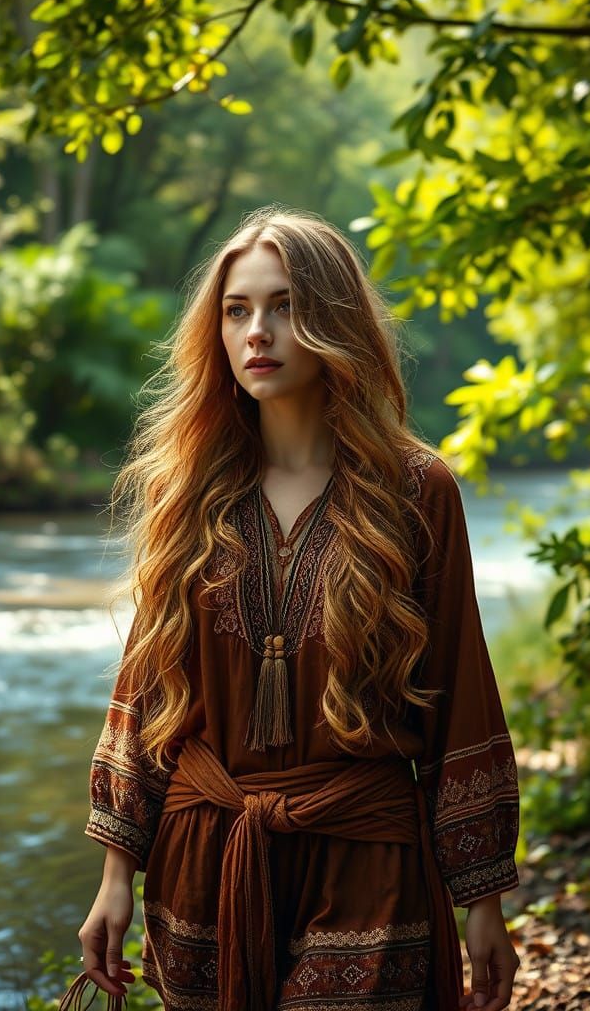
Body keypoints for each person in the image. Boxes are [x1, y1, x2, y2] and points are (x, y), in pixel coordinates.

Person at [60, 204, 522, 1011]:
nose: (257, 333)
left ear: (334, 318)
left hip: (366, 863)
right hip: (205, 864)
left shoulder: (417, 492)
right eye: (237, 311)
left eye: (285, 306)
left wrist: (481, 900)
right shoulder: (187, 491)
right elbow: (148, 689)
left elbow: (460, 692)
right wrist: (114, 878)